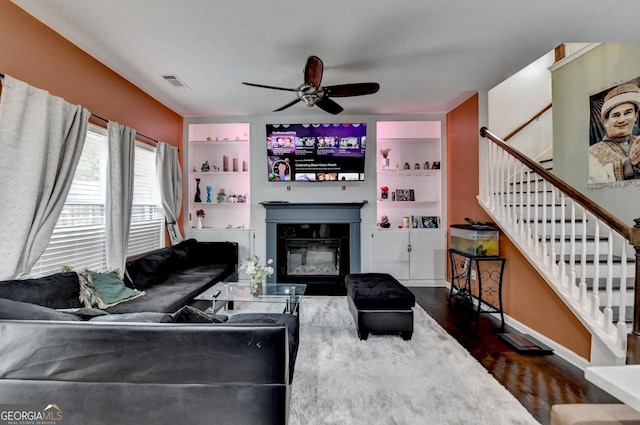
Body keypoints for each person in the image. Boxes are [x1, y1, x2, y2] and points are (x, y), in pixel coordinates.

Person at [588, 83, 640, 183]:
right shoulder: (592, 152)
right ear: (606, 122)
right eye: (616, 115)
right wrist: (629, 163)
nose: (622, 120)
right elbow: (595, 179)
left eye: (628, 113)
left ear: (635, 116)